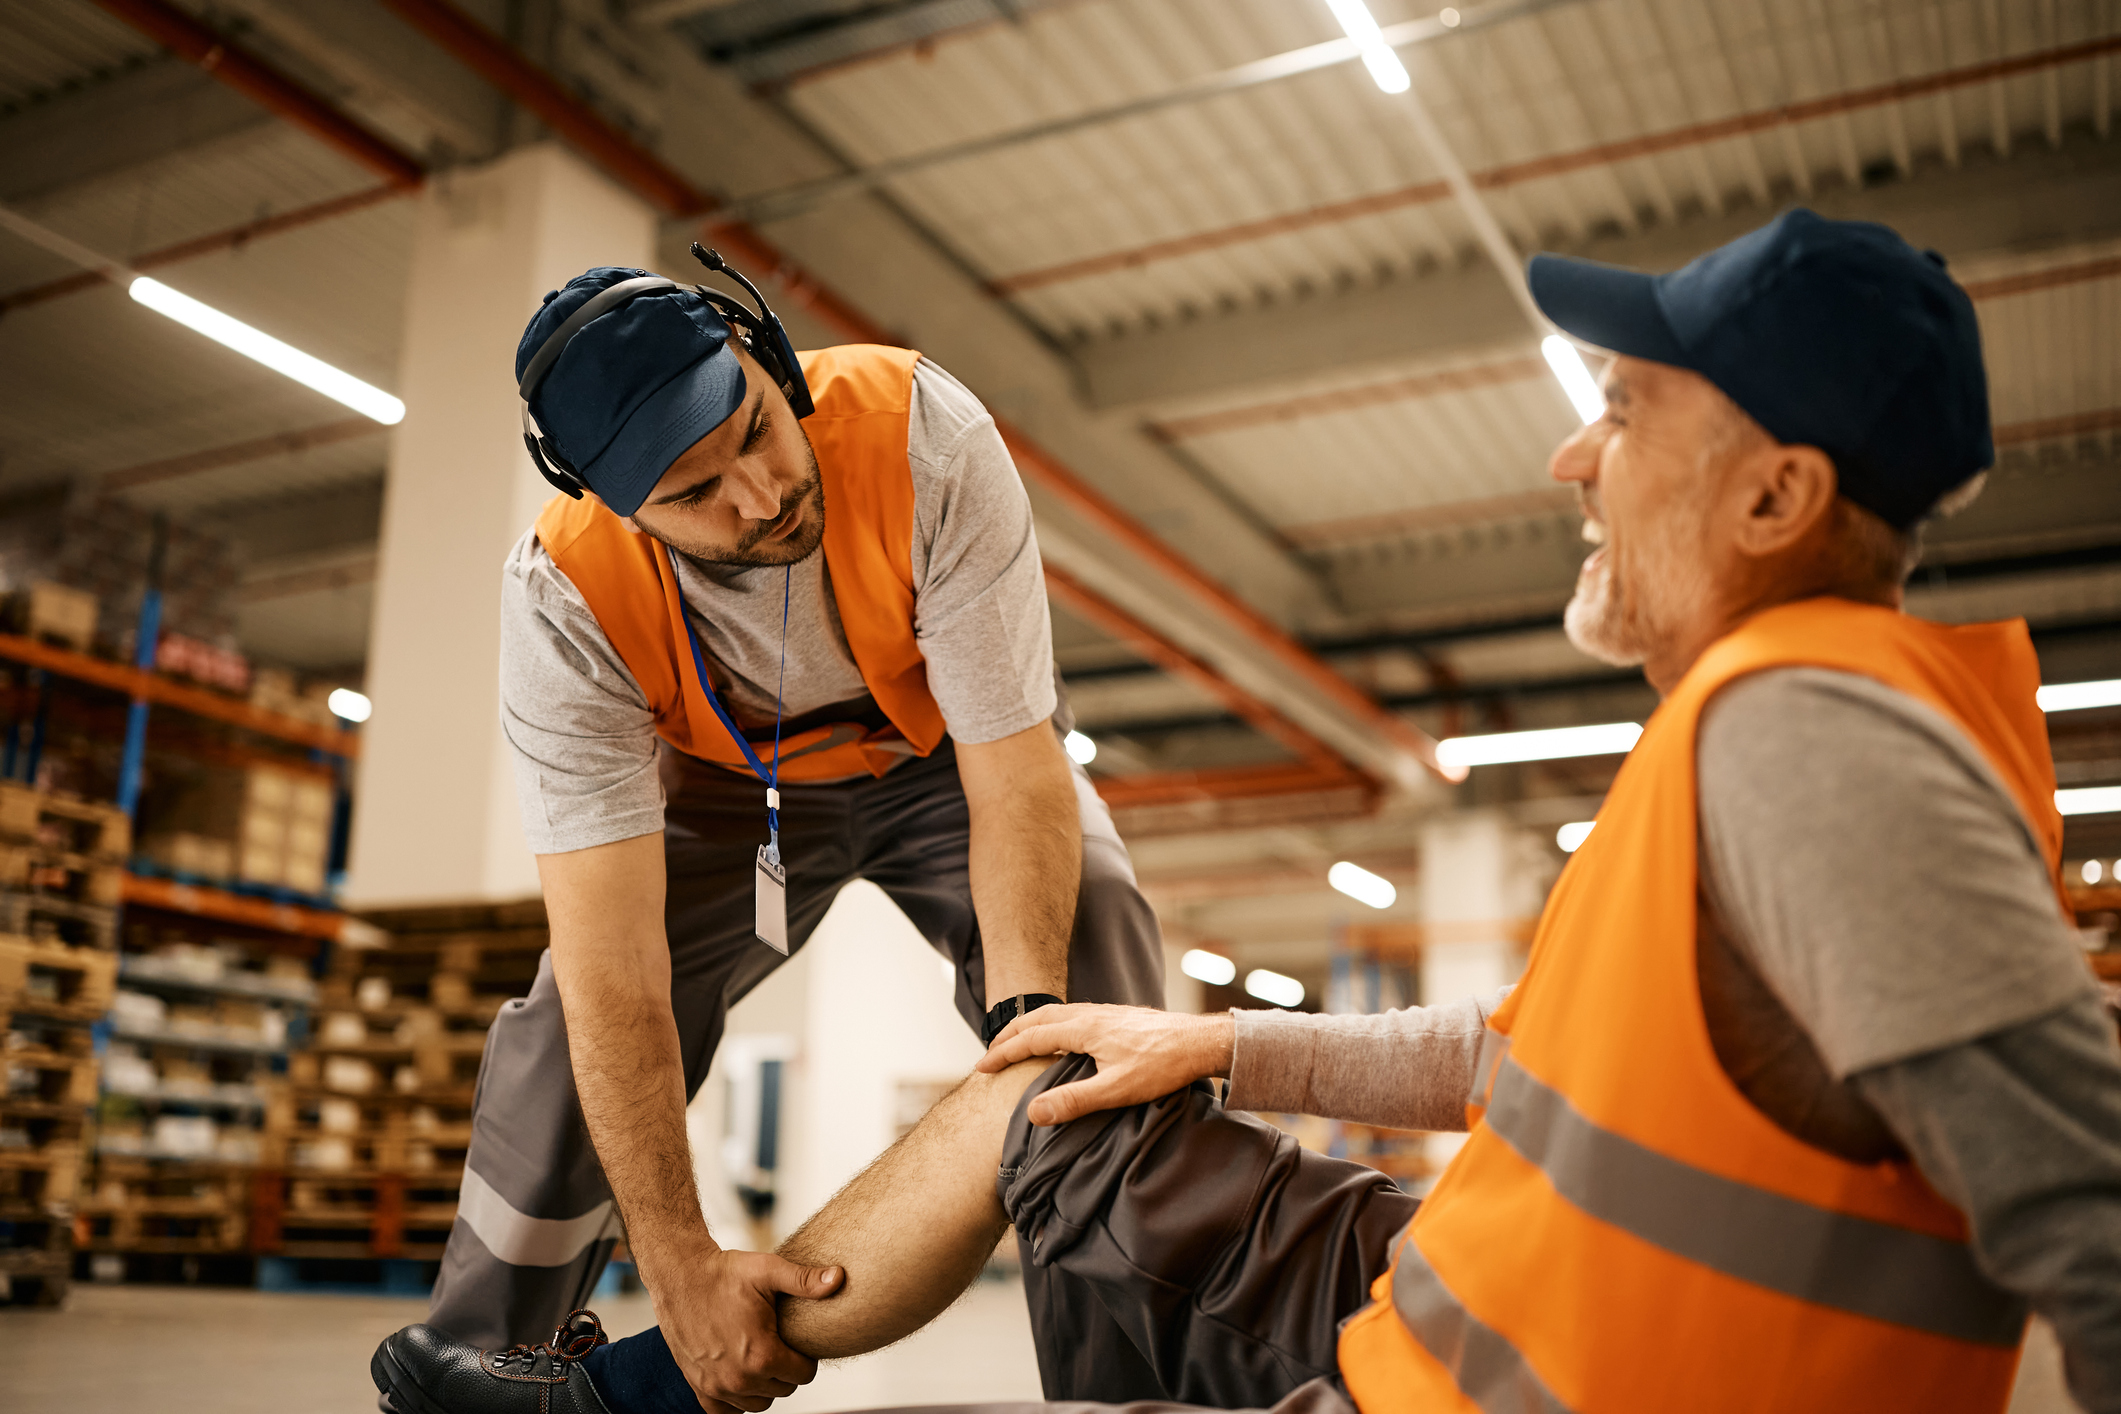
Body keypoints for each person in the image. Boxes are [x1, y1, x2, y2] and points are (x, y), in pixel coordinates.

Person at [377, 211, 2121, 1414]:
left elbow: (2090, 1206)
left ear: (1776, 490)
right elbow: (1544, 1054)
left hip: (1507, 1358)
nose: (1572, 458)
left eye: (1623, 412)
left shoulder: (1821, 748)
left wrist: (1073, 1001)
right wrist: (1218, 1046)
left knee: (1044, 1030)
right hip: (1478, 1274)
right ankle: (588, 1375)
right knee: (1041, 1079)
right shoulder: (1757, 726)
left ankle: (660, 1390)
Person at [421, 252, 1167, 1410]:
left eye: (755, 429)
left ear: (764, 356)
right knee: (567, 1022)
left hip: (947, 755)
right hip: (731, 789)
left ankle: (1137, 1369)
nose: (761, 495)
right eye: (694, 493)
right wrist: (681, 1273)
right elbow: (618, 966)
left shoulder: (925, 436)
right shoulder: (564, 596)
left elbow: (1018, 778)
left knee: (1094, 961)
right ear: (617, 509)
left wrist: (1035, 1036)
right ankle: (477, 1371)